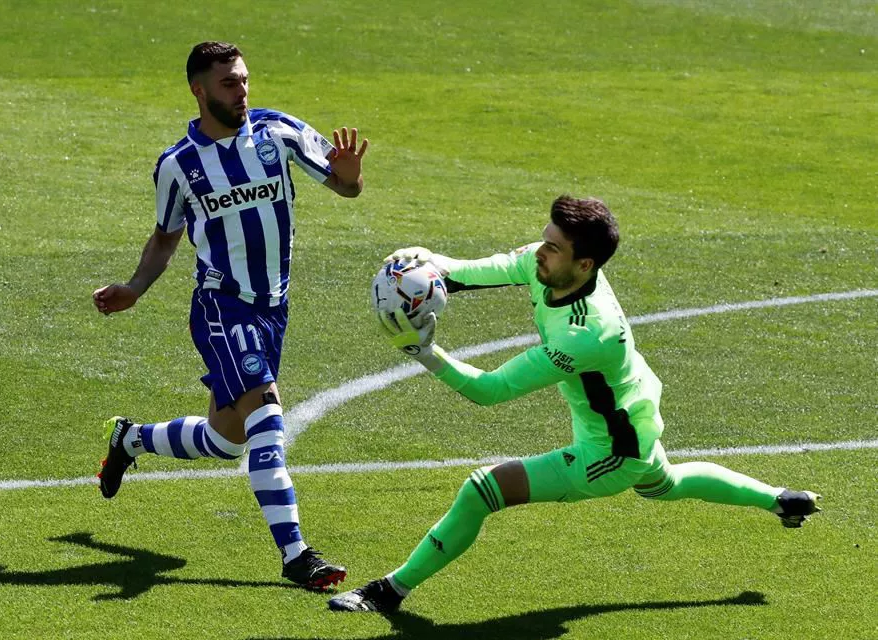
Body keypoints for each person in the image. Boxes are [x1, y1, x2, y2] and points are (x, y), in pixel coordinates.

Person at [328, 195, 821, 612]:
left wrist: (422, 352)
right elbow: (470, 273)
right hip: (634, 408)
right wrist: (430, 263)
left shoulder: (586, 334)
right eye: (544, 239)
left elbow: (490, 391)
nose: (540, 252)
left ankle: (388, 592)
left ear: (584, 265)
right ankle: (780, 499)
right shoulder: (552, 265)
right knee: (666, 482)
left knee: (481, 490)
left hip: (613, 446)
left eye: (553, 248)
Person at [92, 41, 368, 590]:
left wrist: (351, 174)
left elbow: (345, 187)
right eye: (228, 83)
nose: (242, 91)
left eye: (244, 80)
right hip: (222, 304)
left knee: (226, 438)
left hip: (274, 307)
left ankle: (131, 439)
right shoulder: (178, 166)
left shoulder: (277, 133)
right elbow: (166, 236)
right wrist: (135, 287)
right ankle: (296, 555)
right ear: (198, 89)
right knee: (267, 413)